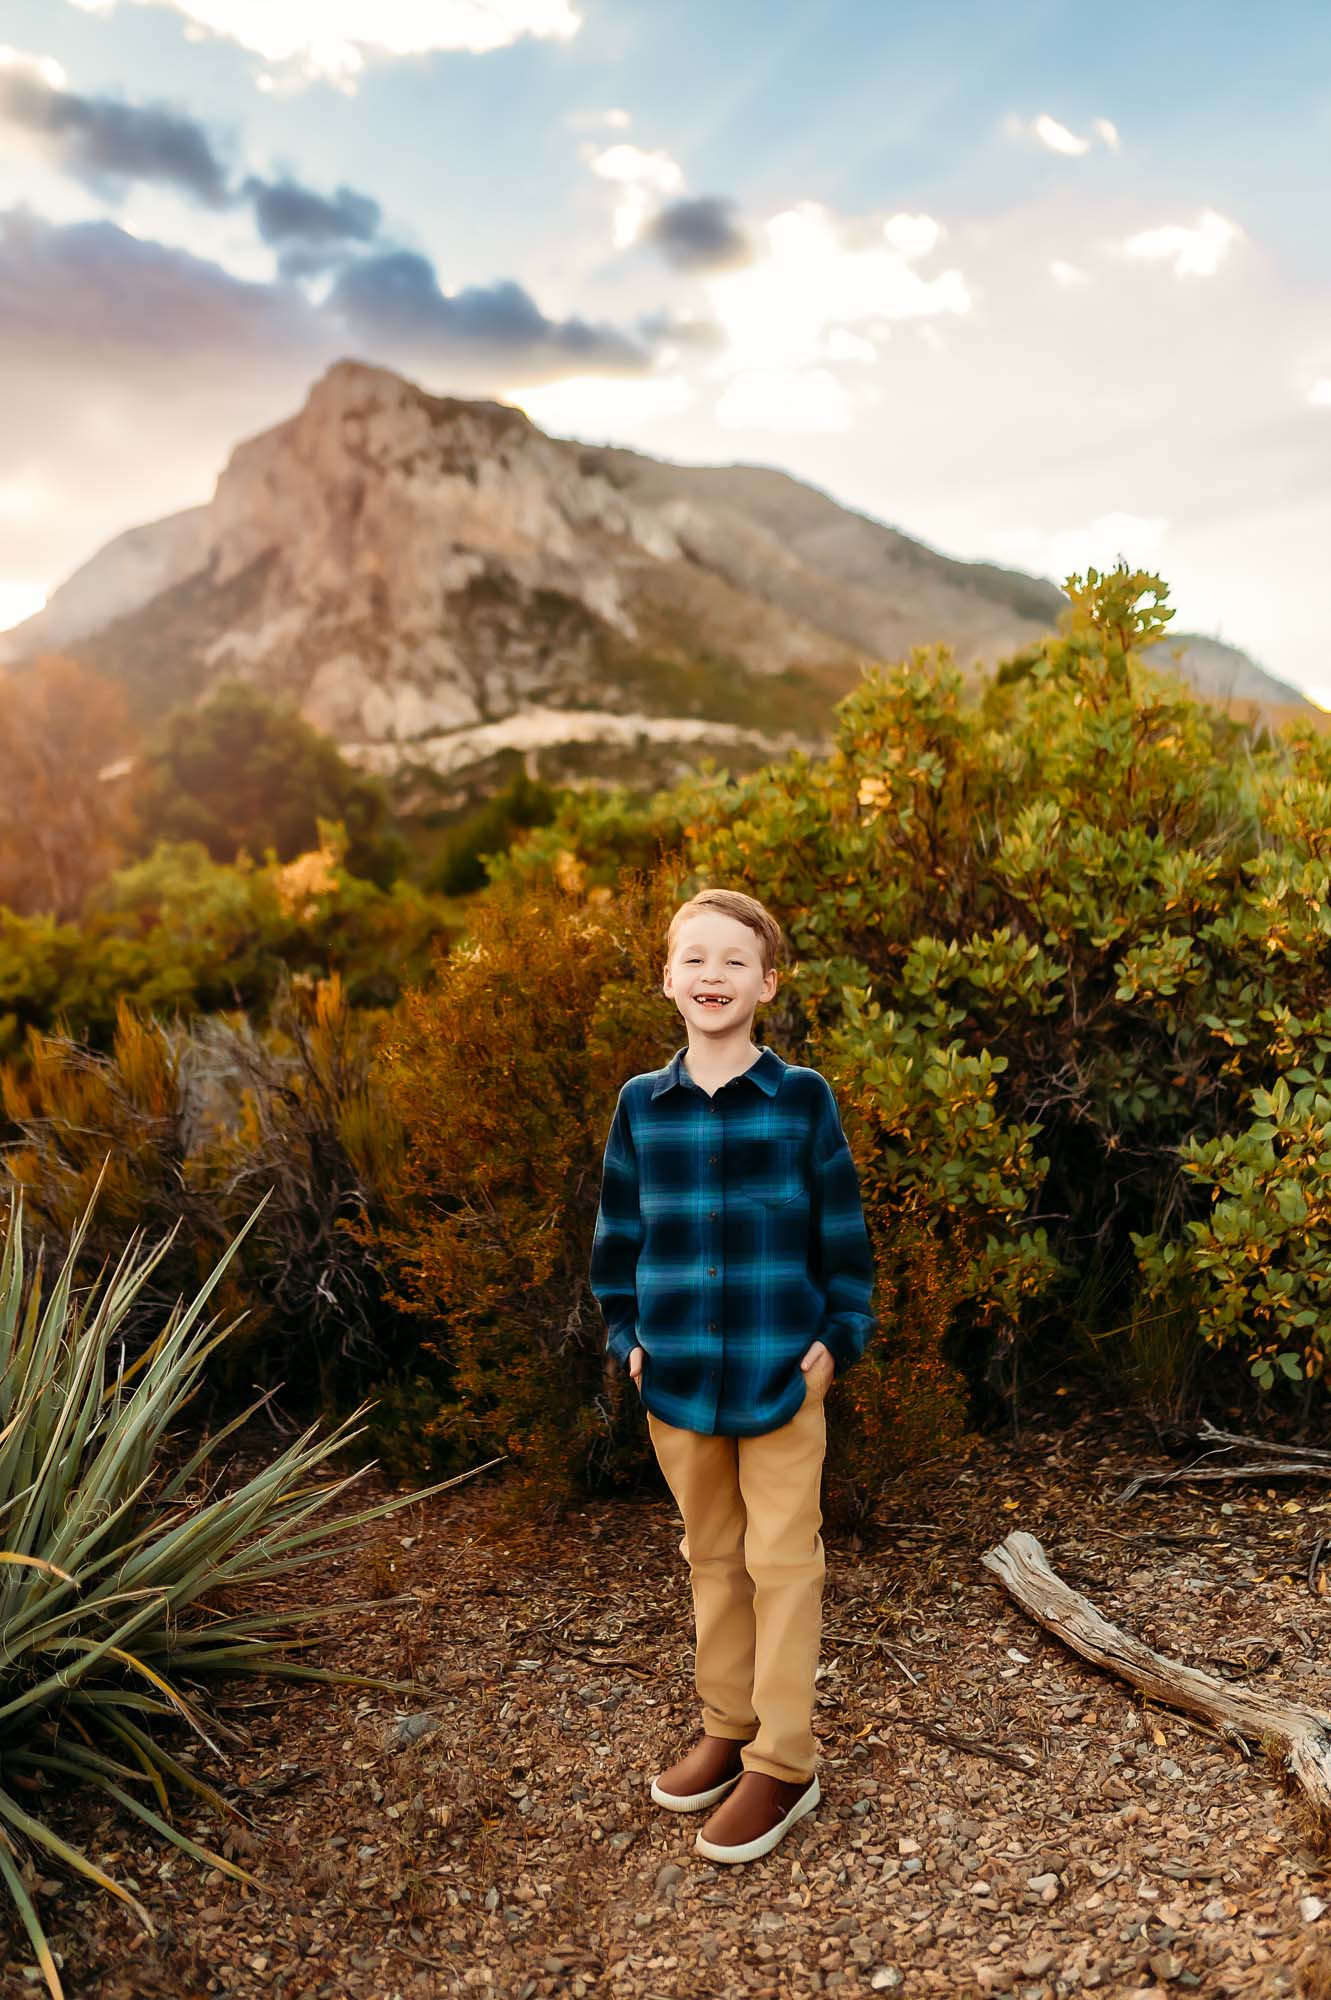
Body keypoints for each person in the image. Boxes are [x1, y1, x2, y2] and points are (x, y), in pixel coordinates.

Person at [589, 886, 877, 1865]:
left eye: (732, 960)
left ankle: (783, 1760)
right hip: (675, 1377)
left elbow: (840, 1234)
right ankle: (727, 1724)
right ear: (666, 977)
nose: (711, 975)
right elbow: (617, 1234)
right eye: (693, 958)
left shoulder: (799, 1099)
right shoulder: (640, 1105)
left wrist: (838, 1339)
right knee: (708, 1557)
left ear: (766, 981)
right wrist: (624, 1333)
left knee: (782, 1563)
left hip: (778, 1372)